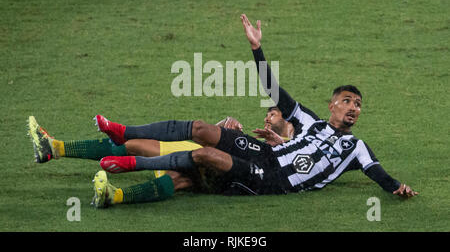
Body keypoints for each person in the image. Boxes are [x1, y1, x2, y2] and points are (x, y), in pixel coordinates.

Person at [90, 14, 418, 208]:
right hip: (265, 155)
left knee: (205, 156)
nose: (353, 107)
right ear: (332, 105)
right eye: (347, 101)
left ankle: (131, 165)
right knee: (203, 129)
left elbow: (376, 172)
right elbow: (273, 91)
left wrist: (395, 187)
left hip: (275, 181)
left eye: (358, 105)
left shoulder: (355, 147)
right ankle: (125, 132)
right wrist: (256, 48)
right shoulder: (309, 122)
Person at [28, 106, 294, 206]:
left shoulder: (290, 154)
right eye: (268, 114)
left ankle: (115, 195)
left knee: (180, 179)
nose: (268, 118)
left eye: (274, 114)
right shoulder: (257, 142)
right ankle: (57, 148)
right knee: (135, 145)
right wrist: (225, 123)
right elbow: (216, 142)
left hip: (215, 172)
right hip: (198, 155)